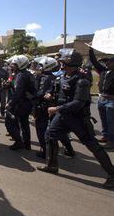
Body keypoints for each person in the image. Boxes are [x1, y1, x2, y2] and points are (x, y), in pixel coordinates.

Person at [38, 48, 114, 189]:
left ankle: (112, 175)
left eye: (63, 62)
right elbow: (54, 90)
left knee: (92, 145)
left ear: (71, 64)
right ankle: (52, 165)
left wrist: (57, 109)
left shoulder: (81, 81)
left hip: (78, 119)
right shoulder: (62, 77)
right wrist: (49, 94)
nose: (61, 65)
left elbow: (78, 103)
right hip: (63, 116)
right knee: (50, 135)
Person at [32, 57, 76, 159]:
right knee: (59, 131)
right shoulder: (56, 77)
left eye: (42, 66)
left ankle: (45, 151)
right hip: (55, 107)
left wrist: (31, 95)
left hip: (44, 108)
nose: (40, 68)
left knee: (41, 129)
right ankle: (70, 150)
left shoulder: (45, 78)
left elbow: (41, 93)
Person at [5, 55, 37, 150]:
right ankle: (27, 144)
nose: (11, 66)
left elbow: (18, 92)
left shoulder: (21, 75)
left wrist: (10, 103)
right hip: (27, 103)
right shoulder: (27, 74)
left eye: (14, 64)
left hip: (21, 103)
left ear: (20, 65)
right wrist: (10, 84)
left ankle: (19, 142)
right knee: (24, 124)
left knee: (10, 122)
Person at [89, 45, 114, 149]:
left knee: (111, 121)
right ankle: (105, 136)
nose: (106, 63)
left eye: (109, 61)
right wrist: (91, 50)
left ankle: (112, 141)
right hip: (102, 99)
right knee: (104, 120)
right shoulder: (103, 71)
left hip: (112, 100)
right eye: (106, 61)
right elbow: (94, 61)